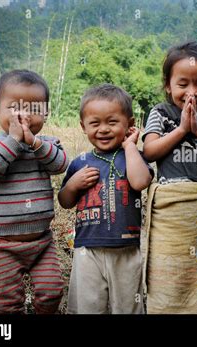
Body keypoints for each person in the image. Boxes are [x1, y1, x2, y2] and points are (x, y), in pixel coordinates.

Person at [141, 41, 197, 313]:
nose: (192, 92)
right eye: (183, 84)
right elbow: (150, 150)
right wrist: (182, 130)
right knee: (169, 280)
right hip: (172, 215)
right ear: (168, 86)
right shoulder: (161, 112)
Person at [0, 69, 68, 313]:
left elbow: (61, 164)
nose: (24, 115)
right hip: (1, 247)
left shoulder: (46, 145)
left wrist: (33, 142)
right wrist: (12, 141)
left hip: (42, 242)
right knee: (9, 302)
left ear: (46, 112)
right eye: (14, 107)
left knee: (52, 292)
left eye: (34, 109)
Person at [58, 84, 153, 314]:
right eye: (95, 123)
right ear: (83, 126)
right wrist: (73, 184)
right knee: (88, 306)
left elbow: (141, 182)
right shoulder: (80, 162)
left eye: (112, 122)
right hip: (86, 249)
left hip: (127, 250)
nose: (103, 129)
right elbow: (65, 200)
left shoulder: (132, 157)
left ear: (129, 125)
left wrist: (130, 147)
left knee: (128, 306)